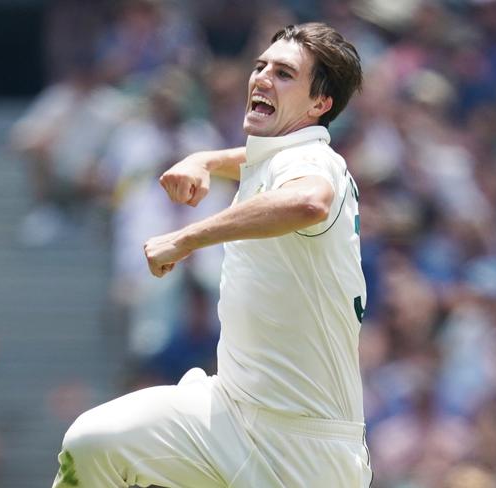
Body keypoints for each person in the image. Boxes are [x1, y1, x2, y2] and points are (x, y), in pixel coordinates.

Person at [52, 22, 373, 488]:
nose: (261, 78)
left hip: (305, 454)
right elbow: (264, 157)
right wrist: (205, 159)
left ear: (320, 104)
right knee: (92, 443)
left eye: (284, 74)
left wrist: (185, 239)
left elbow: (308, 200)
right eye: (261, 66)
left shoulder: (314, 163)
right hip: (229, 411)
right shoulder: (282, 156)